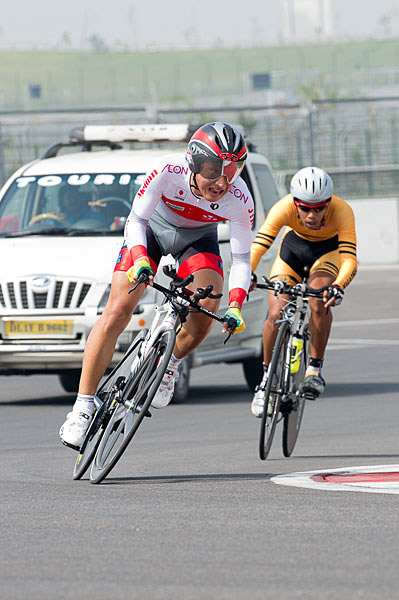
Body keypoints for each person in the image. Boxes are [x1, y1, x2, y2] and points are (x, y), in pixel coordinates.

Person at [60, 122, 253, 449]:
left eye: (232, 169)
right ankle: (82, 406)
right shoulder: (168, 169)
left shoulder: (238, 197)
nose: (222, 180)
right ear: (193, 162)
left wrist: (235, 305)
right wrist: (141, 260)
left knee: (207, 310)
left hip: (197, 240)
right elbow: (136, 221)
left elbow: (243, 260)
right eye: (213, 169)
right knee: (119, 309)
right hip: (150, 233)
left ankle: (170, 364)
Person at [250, 166, 357, 418]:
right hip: (293, 251)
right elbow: (259, 245)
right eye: (305, 207)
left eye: (319, 208)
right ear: (295, 202)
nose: (312, 214)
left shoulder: (342, 211)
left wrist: (338, 286)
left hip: (327, 253)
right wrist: (247, 275)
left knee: (319, 300)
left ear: (328, 204)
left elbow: (350, 259)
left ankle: (314, 370)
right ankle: (266, 380)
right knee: (276, 313)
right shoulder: (283, 207)